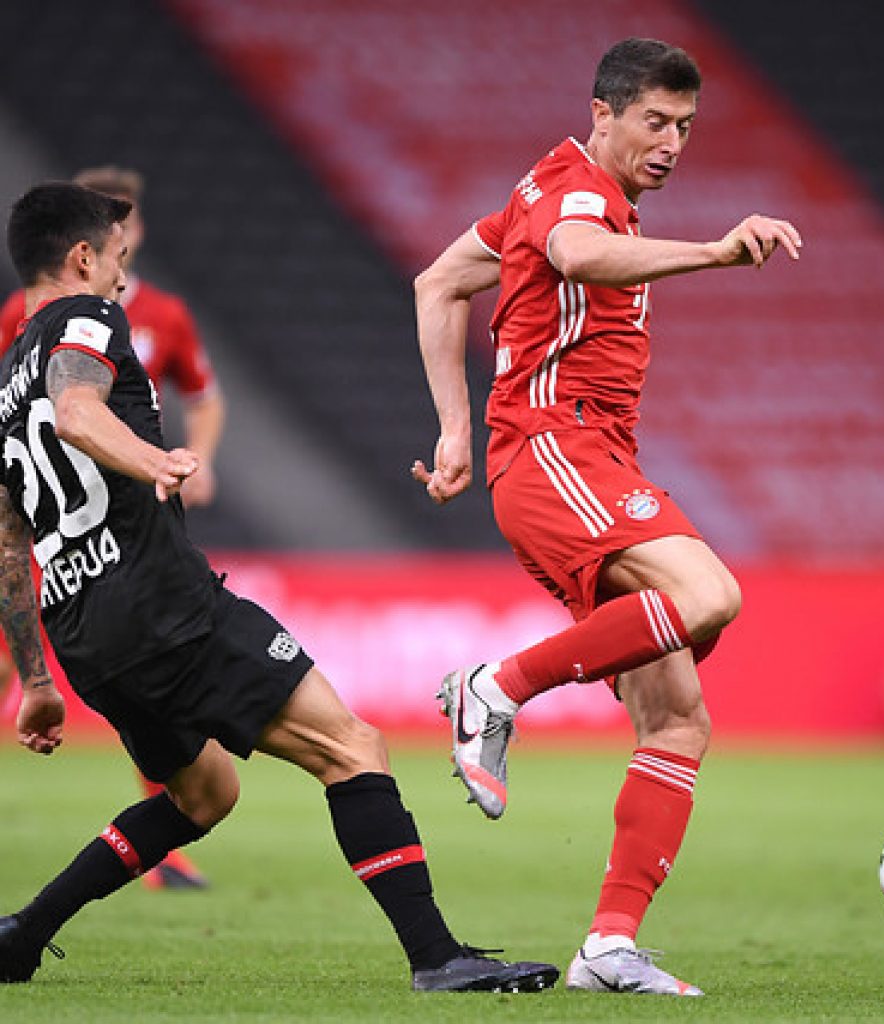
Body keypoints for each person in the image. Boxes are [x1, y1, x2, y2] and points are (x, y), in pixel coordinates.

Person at [0, 181, 558, 994]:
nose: (123, 276)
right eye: (116, 258)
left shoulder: (5, 379)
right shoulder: (88, 317)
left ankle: (23, 933)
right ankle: (437, 958)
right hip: (161, 605)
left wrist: (38, 680)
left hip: (84, 635)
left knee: (203, 794)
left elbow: (9, 541)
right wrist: (158, 460)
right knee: (352, 747)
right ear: (82, 257)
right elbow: (78, 411)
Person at [412, 38, 801, 996]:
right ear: (603, 113)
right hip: (556, 446)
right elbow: (578, 253)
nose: (671, 144)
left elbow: (439, 281)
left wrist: (454, 431)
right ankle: (493, 688)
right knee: (709, 594)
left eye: (685, 128)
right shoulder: (574, 191)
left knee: (676, 720)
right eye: (654, 122)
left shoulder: (539, 195)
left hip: (577, 459)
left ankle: (609, 946)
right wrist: (715, 250)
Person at [0, 166, 225, 890]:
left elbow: (203, 395)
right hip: (43, 515)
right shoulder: (30, 316)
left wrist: (198, 457)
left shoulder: (162, 313)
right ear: (82, 250)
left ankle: (165, 840)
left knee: (133, 668)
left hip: (120, 519)